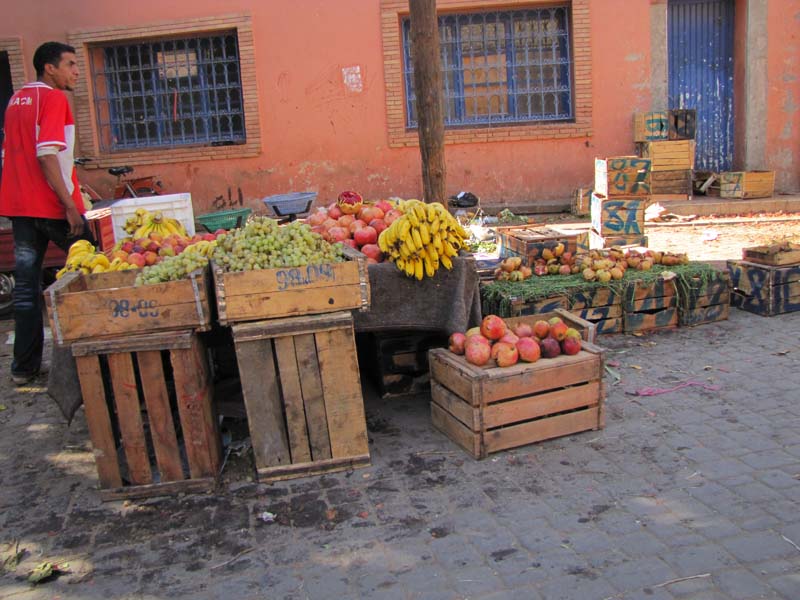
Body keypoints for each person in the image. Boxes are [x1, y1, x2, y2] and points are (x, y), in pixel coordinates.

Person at [0, 41, 94, 385]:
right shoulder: (53, 98)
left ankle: (23, 368)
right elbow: (46, 154)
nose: (76, 72)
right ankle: (99, 356)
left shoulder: (15, 101)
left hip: (19, 207)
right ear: (49, 68)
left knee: (26, 288)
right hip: (52, 205)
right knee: (95, 271)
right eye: (70, 65)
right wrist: (70, 204)